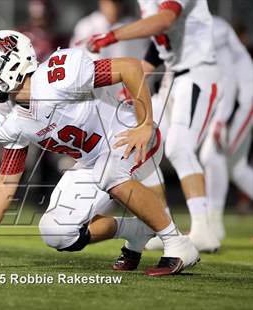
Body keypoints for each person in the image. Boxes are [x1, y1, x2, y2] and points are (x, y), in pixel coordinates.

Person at [0, 30, 200, 276]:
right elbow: (6, 181)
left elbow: (130, 68)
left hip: (128, 136)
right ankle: (137, 230)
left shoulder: (58, 75)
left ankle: (177, 244)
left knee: (110, 171)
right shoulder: (7, 117)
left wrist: (144, 124)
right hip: (90, 161)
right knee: (56, 232)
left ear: (14, 61)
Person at [86, 0, 222, 252]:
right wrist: (137, 80)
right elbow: (161, 42)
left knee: (180, 147)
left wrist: (112, 36)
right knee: (141, 144)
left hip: (197, 73)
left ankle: (204, 229)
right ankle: (162, 225)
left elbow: (164, 21)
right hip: (172, 76)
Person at [199, 16, 253, 240]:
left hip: (244, 100)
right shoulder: (201, 25)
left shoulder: (212, 27)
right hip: (237, 101)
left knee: (212, 155)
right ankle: (211, 225)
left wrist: (220, 118)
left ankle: (213, 225)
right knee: (238, 169)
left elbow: (228, 78)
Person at [71, 0, 148, 60]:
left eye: (117, 2)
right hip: (96, 78)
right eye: (109, 2)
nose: (113, 7)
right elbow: (75, 58)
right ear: (101, 3)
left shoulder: (133, 26)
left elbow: (143, 58)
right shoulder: (86, 26)